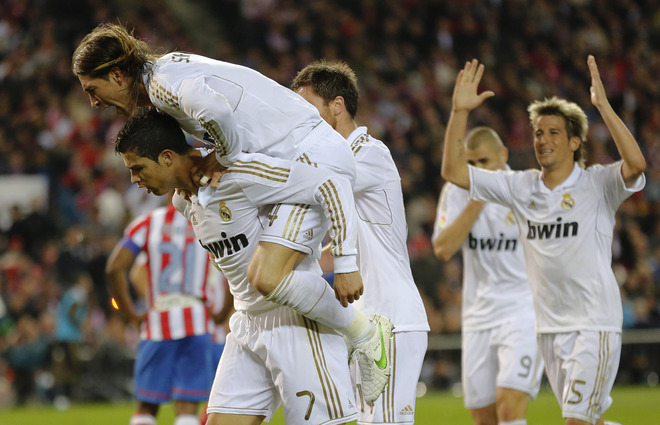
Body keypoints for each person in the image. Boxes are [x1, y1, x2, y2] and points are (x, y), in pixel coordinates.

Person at [115, 108, 394, 423]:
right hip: (247, 323)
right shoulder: (183, 201)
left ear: (167, 157)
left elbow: (330, 185)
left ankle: (365, 332)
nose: (134, 180)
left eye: (137, 168)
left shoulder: (236, 174)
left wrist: (345, 261)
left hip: (297, 322)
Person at [71, 22, 365, 314]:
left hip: (309, 157)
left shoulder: (162, 85)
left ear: (117, 74)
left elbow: (217, 111)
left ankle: (362, 330)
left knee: (267, 276)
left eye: (93, 90)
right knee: (262, 287)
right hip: (293, 159)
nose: (94, 103)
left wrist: (224, 156)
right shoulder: (163, 76)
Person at [440, 57, 645, 425]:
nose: (543, 139)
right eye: (537, 132)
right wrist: (459, 112)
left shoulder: (597, 184)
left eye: (552, 132)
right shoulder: (521, 187)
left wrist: (603, 107)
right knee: (587, 420)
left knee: (576, 422)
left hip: (593, 323)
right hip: (549, 328)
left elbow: (636, 165)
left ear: (574, 141)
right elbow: (453, 171)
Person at [290, 60, 430, 423]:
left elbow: (314, 180)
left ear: (337, 105)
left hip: (394, 318)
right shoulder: (338, 161)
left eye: (307, 106)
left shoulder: (370, 153)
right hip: (362, 322)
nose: (300, 117)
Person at [432, 126, 543, 425]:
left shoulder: (526, 189)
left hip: (522, 312)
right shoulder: (456, 191)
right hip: (478, 316)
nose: (477, 170)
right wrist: (478, 199)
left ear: (503, 156)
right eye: (471, 163)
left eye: (484, 162)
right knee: (485, 419)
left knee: (509, 408)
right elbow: (443, 248)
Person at [106, 199, 232, 425]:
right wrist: (222, 313)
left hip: (159, 318)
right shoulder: (209, 221)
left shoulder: (148, 223)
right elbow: (240, 264)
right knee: (187, 408)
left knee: (146, 406)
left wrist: (130, 314)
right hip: (197, 318)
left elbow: (115, 267)